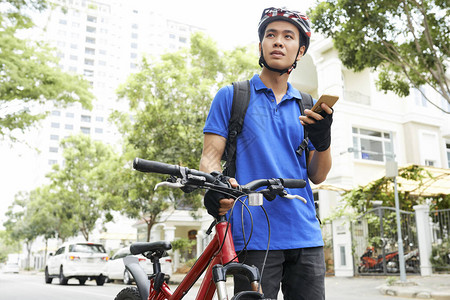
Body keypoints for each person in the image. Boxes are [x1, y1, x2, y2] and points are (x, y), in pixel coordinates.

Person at [199, 7, 332, 300]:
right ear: (261, 46)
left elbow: (318, 175)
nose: (278, 41)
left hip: (306, 235)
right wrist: (214, 182)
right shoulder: (232, 96)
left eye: (288, 36)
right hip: (254, 235)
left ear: (301, 51)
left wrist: (323, 142)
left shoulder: (306, 105)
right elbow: (210, 157)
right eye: (270, 35)